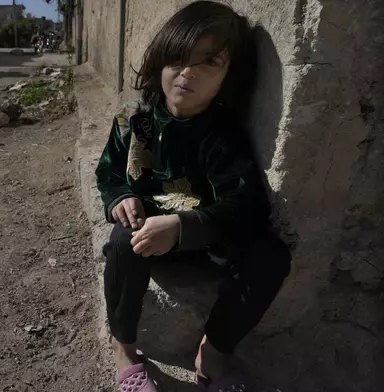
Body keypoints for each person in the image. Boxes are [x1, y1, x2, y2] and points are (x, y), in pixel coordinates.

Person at [95, 2, 292, 391]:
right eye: (179, 58)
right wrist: (119, 197)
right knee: (120, 242)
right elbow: (110, 172)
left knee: (270, 256)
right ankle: (126, 351)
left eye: (208, 63)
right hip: (147, 233)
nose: (188, 73)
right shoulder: (134, 123)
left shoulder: (222, 136)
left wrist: (185, 226)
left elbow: (248, 204)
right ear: (160, 60)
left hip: (207, 236)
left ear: (229, 77)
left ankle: (213, 355)